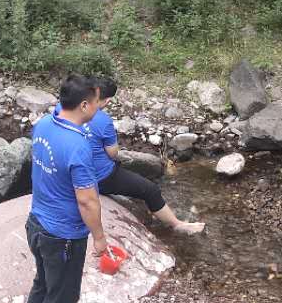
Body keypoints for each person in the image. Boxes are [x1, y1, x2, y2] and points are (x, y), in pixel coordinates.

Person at [21, 74, 110, 303]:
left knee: (44, 285)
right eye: (97, 102)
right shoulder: (78, 146)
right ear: (84, 105)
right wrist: (100, 238)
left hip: (36, 223)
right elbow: (87, 201)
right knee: (61, 297)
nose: (99, 107)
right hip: (63, 236)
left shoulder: (45, 125)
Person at [87, 76, 205, 236]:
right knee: (150, 190)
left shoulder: (65, 109)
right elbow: (112, 153)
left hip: (72, 171)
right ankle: (177, 224)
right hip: (99, 177)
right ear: (107, 100)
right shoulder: (102, 120)